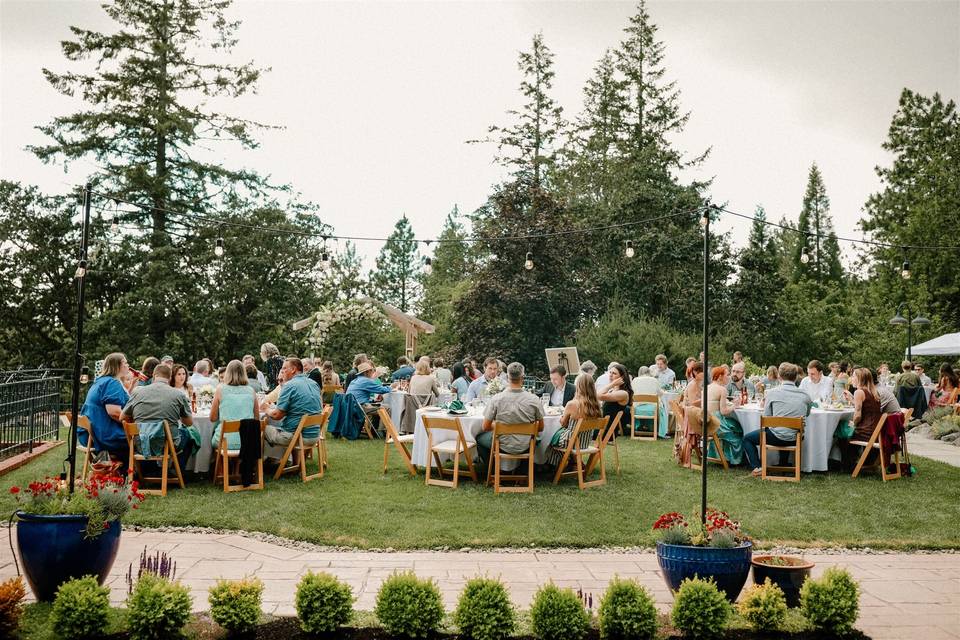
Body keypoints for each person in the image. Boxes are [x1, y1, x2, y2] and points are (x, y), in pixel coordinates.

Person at [741, 362, 812, 476]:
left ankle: (758, 467)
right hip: (796, 437)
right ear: (796, 377)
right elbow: (807, 413)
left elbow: (767, 416)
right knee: (785, 430)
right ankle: (782, 464)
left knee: (747, 439)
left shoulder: (771, 393)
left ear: (779, 376)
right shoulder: (805, 395)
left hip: (776, 436)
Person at [120, 363, 194, 468]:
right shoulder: (178, 394)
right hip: (167, 445)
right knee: (188, 434)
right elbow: (189, 422)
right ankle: (176, 471)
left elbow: (122, 418)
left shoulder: (137, 392)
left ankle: (149, 470)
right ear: (169, 378)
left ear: (154, 376)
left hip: (142, 444)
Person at [477, 362, 544, 471]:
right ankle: (523, 470)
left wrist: (499, 427)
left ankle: (494, 470)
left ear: (508, 377)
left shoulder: (496, 399)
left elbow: (485, 427)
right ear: (523, 377)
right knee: (538, 439)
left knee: (479, 439)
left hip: (502, 444)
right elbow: (540, 428)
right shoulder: (534, 399)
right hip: (526, 444)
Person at [262, 357, 323, 448]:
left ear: (293, 369)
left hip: (296, 436)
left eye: (284, 368)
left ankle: (262, 461)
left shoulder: (290, 385)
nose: (282, 371)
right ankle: (280, 459)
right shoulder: (313, 383)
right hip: (314, 435)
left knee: (259, 427)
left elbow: (277, 415)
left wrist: (266, 409)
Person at [80, 352, 132, 459]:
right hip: (106, 435)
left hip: (92, 434)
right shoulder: (112, 383)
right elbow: (114, 413)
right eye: (126, 363)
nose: (128, 366)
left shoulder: (100, 381)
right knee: (145, 438)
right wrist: (134, 422)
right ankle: (150, 472)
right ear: (119, 365)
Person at [548, 373, 603, 466]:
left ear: (578, 387)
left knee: (550, 438)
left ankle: (552, 465)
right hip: (585, 442)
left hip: (571, 442)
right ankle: (573, 462)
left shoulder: (573, 404)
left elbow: (563, 424)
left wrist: (563, 418)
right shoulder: (597, 405)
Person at [210, 360, 260, 451]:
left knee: (213, 436)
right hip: (248, 441)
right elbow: (256, 419)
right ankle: (236, 464)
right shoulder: (251, 390)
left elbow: (212, 418)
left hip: (225, 442)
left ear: (227, 373)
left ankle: (222, 465)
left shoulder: (220, 389)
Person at [843, 367, 884, 468]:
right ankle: (865, 461)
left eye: (853, 376)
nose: (851, 379)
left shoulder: (859, 392)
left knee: (842, 432)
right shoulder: (873, 391)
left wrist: (854, 424)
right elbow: (866, 408)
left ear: (860, 379)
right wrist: (852, 400)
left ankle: (847, 465)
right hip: (876, 431)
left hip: (866, 432)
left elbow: (857, 415)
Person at [707, 366, 744, 465]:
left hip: (706, 423)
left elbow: (714, 404)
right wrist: (735, 405)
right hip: (716, 424)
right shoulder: (722, 389)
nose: (729, 377)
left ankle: (723, 456)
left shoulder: (707, 387)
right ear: (720, 376)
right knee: (738, 433)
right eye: (727, 375)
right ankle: (735, 460)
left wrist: (730, 403)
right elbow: (723, 411)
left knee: (735, 425)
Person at [597, 363, 631, 435]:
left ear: (621, 377)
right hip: (601, 427)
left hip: (606, 431)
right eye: (610, 372)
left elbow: (599, 396)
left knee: (578, 430)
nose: (610, 375)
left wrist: (612, 384)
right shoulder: (613, 391)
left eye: (614, 373)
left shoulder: (623, 393)